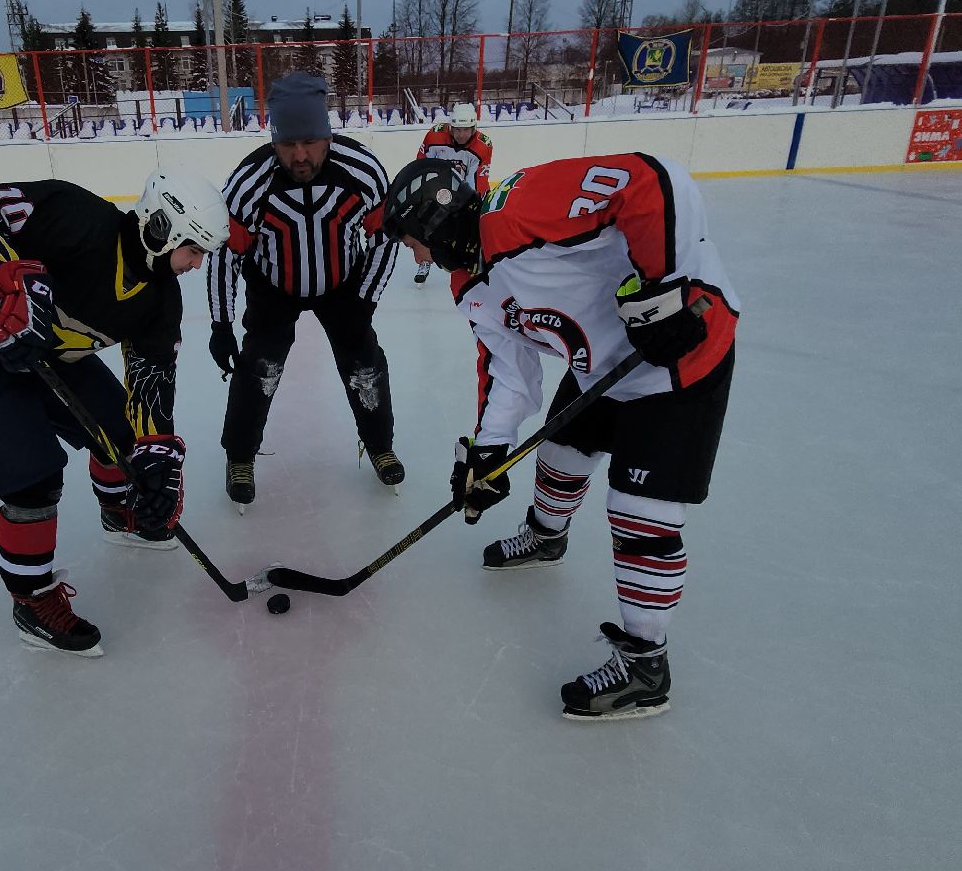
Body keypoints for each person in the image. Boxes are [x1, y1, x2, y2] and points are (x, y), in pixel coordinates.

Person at [382, 153, 739, 721]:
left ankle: (647, 665)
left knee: (638, 513)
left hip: (683, 357)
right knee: (560, 454)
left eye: (410, 241)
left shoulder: (519, 210)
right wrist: (488, 453)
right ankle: (545, 536)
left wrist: (668, 284)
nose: (414, 255)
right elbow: (508, 370)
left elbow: (649, 178)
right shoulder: (469, 283)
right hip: (601, 366)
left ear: (432, 223)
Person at [0, 169, 230, 656]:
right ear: (163, 229)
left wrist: (156, 461)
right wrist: (16, 282)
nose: (197, 263)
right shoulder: (75, 215)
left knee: (124, 437)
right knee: (33, 483)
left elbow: (151, 383)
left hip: (50, 353)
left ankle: (121, 514)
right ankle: (32, 600)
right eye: (195, 250)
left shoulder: (160, 300)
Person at [206, 71, 405, 509]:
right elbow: (226, 254)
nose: (299, 155)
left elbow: (384, 238)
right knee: (259, 369)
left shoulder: (363, 171)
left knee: (364, 365)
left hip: (343, 284)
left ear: (327, 134)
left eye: (310, 141)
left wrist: (366, 299)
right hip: (275, 285)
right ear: (273, 139)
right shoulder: (249, 182)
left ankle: (379, 444)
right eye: (286, 144)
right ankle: (239, 456)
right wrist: (220, 322)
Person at [410, 102, 493, 285]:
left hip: (464, 191)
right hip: (437, 190)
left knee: (473, 228)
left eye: (466, 130)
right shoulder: (434, 136)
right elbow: (421, 166)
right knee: (427, 225)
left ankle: (475, 261)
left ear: (474, 128)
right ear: (450, 127)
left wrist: (469, 206)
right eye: (457, 129)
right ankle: (425, 261)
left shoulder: (482, 146)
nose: (461, 134)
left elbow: (478, 181)